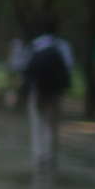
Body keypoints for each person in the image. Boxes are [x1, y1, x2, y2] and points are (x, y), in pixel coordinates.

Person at [19, 15, 75, 171]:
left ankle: (39, 156)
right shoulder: (62, 46)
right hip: (56, 92)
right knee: (53, 124)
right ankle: (51, 156)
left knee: (37, 122)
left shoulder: (33, 46)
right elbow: (69, 68)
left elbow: (24, 69)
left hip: (37, 91)